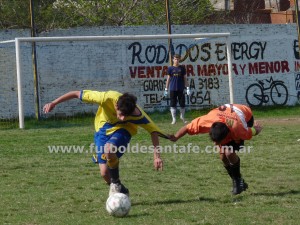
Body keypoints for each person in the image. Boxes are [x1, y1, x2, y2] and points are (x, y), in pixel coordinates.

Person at [43, 90, 170, 197]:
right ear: (116, 106)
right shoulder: (105, 98)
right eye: (120, 114)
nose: (123, 118)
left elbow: (153, 132)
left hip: (124, 130)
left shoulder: (138, 114)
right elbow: (77, 93)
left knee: (109, 150)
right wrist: (54, 103)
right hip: (102, 129)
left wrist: (157, 156)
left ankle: (115, 184)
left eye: (126, 116)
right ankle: (120, 190)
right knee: (104, 173)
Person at [170, 103, 262, 195]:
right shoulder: (207, 121)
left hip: (245, 115)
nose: (214, 144)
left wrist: (256, 129)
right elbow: (187, 127)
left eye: (217, 141)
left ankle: (237, 181)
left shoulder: (237, 128)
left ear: (226, 136)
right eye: (213, 140)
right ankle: (238, 181)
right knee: (223, 157)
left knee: (229, 153)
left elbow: (251, 132)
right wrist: (176, 137)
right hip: (223, 116)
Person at [164, 54, 190, 125]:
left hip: (181, 88)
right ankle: (174, 119)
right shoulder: (170, 68)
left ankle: (182, 117)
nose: (176, 60)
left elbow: (185, 79)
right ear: (173, 59)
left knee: (182, 104)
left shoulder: (182, 68)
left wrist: (187, 88)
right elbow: (168, 79)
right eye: (175, 59)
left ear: (179, 59)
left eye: (178, 59)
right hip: (172, 89)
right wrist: (166, 89)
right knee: (173, 104)